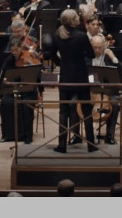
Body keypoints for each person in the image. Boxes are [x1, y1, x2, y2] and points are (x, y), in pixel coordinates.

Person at [47, 10, 98, 152]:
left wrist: (62, 62)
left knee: (63, 112)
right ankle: (91, 145)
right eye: (76, 17)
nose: (78, 19)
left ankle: (62, 145)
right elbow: (91, 54)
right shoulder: (81, 36)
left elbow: (51, 55)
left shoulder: (57, 35)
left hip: (65, 78)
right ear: (72, 21)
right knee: (86, 111)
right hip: (81, 77)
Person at [88, 33, 122, 144]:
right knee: (78, 103)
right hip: (90, 90)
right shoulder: (86, 57)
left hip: (108, 91)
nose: (97, 50)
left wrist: (114, 58)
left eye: (99, 47)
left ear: (104, 46)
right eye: (94, 47)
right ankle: (87, 136)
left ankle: (110, 136)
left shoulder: (108, 57)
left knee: (114, 104)